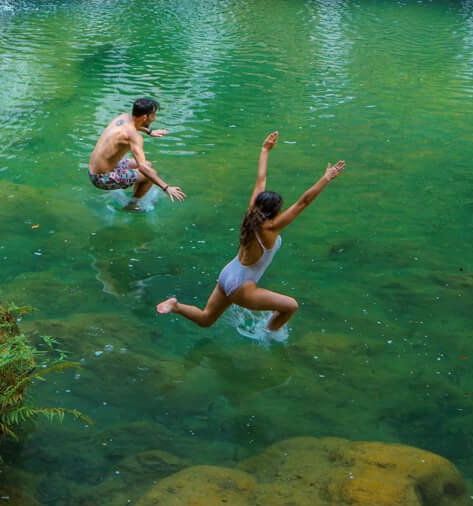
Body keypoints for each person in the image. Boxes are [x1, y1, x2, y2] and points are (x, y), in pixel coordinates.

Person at [157, 131, 344, 334]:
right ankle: (267, 336)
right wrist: (326, 178)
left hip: (229, 273)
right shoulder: (271, 227)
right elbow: (303, 202)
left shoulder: (250, 214)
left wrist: (265, 150)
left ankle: (175, 306)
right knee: (291, 306)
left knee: (206, 319)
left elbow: (260, 179)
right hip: (242, 286)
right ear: (275, 211)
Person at [89, 95, 186, 207]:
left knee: (148, 164)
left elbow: (133, 126)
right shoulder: (134, 136)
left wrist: (149, 131)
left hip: (94, 169)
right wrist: (166, 187)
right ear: (145, 117)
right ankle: (132, 205)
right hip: (101, 178)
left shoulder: (123, 117)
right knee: (150, 174)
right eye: (153, 115)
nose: (154, 118)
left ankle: (132, 189)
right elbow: (142, 168)